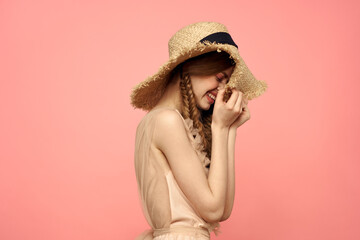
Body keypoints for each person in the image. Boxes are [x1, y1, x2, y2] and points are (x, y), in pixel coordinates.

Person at [131, 22, 267, 240]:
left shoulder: (161, 121)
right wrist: (220, 127)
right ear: (191, 66)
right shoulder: (166, 121)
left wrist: (230, 128)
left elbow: (223, 210)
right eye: (220, 78)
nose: (222, 89)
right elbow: (212, 210)